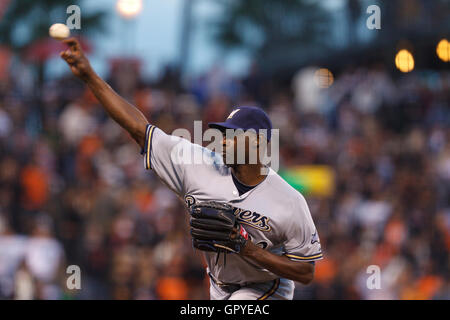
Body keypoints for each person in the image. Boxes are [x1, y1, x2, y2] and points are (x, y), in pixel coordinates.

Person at [60, 38, 323, 300]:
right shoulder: (199, 165)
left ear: (257, 143)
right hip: (219, 288)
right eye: (223, 134)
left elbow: (305, 272)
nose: (223, 140)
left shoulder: (289, 200)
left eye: (232, 135)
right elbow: (140, 129)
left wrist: (248, 249)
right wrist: (90, 77)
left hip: (268, 290)